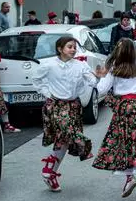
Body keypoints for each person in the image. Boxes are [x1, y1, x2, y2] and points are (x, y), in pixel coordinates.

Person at [92, 39, 136, 201]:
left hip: (125, 108)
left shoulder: (115, 68)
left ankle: (130, 177)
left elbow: (102, 89)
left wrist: (95, 79)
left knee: (124, 144)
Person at [32, 36, 98, 191]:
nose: (73, 50)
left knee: (66, 139)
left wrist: (97, 77)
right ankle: (49, 169)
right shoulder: (49, 65)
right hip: (55, 106)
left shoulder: (81, 65)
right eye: (69, 47)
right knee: (67, 133)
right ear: (60, 49)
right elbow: (36, 79)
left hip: (73, 106)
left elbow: (92, 81)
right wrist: (47, 93)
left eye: (74, 47)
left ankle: (51, 172)